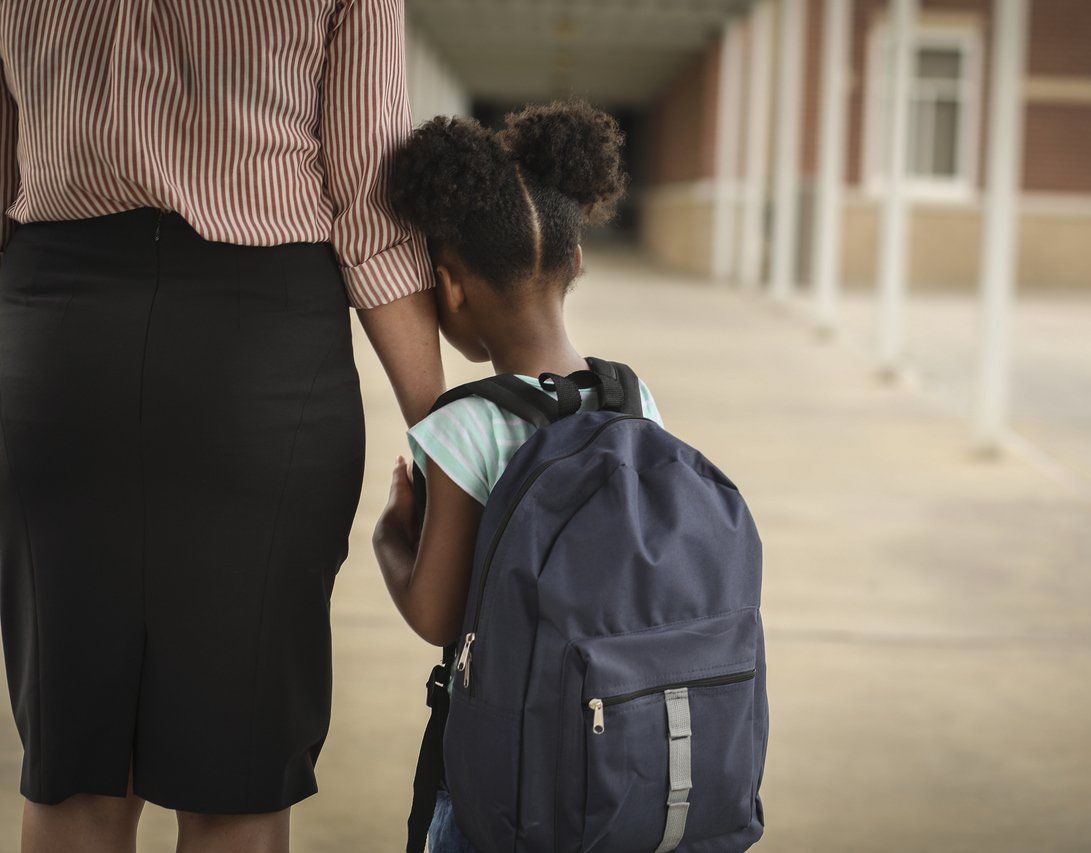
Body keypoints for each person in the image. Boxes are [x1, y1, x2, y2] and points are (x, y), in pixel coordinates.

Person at [0, 2, 443, 851]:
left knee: (75, 767)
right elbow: (370, 205)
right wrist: (443, 443)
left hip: (57, 346)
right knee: (234, 779)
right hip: (261, 352)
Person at [371, 100, 660, 852]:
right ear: (577, 262)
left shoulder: (463, 427)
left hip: (509, 782)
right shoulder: (635, 400)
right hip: (627, 759)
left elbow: (436, 613)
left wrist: (389, 536)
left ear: (451, 287)